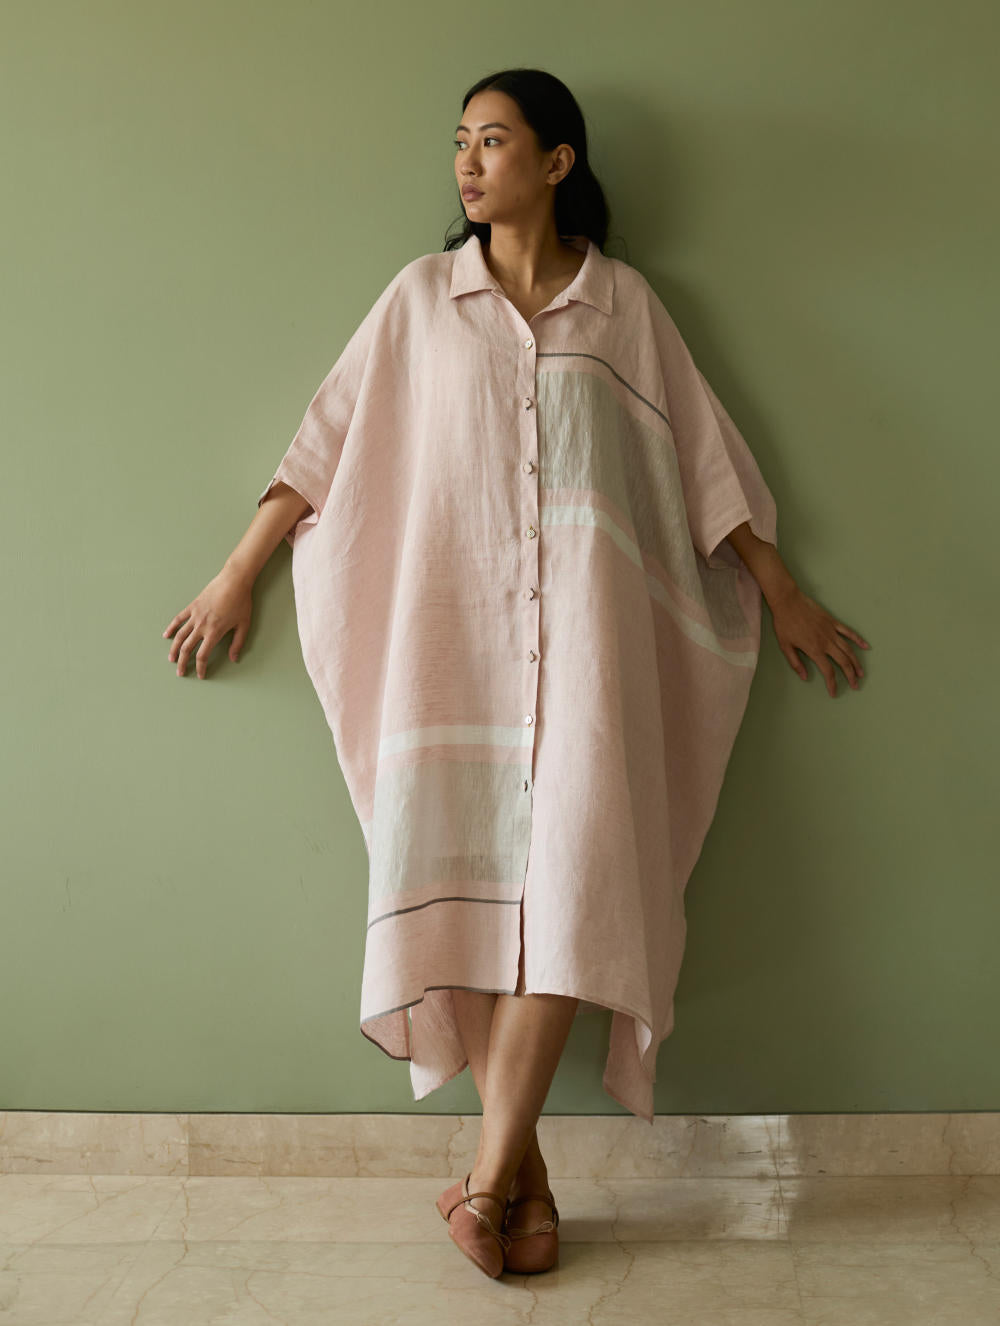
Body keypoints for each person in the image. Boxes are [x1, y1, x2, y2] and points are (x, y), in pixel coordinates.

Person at [162, 68, 870, 1278]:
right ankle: (522, 1192)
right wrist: (238, 572)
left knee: (574, 900)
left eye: (491, 140)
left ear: (555, 161)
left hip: (589, 663)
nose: (466, 162)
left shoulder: (625, 307)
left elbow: (702, 457)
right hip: (450, 658)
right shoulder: (418, 300)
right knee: (469, 909)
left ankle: (487, 1184)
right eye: (458, 142)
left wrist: (781, 586)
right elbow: (325, 443)